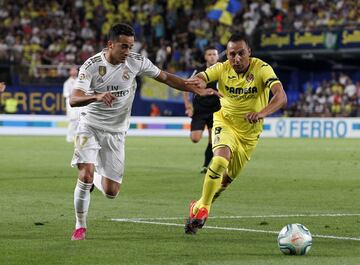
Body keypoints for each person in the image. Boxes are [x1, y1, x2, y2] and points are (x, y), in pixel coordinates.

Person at [69, 23, 218, 240]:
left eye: (130, 46)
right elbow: (74, 99)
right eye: (123, 46)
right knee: (85, 173)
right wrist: (97, 96)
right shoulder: (91, 66)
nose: (128, 51)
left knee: (111, 191)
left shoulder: (136, 61)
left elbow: (165, 77)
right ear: (110, 45)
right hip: (89, 125)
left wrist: (192, 87)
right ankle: (80, 226)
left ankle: (95, 179)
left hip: (117, 132)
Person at [184, 33, 287, 234]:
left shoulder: (262, 69)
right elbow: (202, 77)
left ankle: (197, 206)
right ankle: (204, 209)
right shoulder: (222, 68)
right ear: (227, 55)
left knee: (223, 184)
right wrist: (198, 84)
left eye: (241, 53)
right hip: (225, 122)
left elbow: (280, 96)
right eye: (232, 54)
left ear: (249, 52)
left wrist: (261, 113)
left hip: (249, 135)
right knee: (220, 160)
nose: (236, 58)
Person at [183, 47, 220, 173]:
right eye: (209, 54)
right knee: (195, 138)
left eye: (214, 54)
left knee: (213, 139)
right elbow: (185, 87)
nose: (212, 57)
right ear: (205, 57)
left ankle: (205, 165)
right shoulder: (199, 71)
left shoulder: (222, 71)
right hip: (199, 110)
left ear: (217, 56)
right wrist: (188, 106)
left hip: (216, 110)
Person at [63, 66, 83, 143]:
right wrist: (73, 96)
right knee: (73, 120)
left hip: (80, 102)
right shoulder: (67, 83)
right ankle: (69, 137)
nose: (74, 71)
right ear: (70, 72)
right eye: (72, 70)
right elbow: (66, 94)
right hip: (71, 102)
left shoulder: (80, 81)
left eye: (75, 70)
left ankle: (78, 138)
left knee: (80, 120)